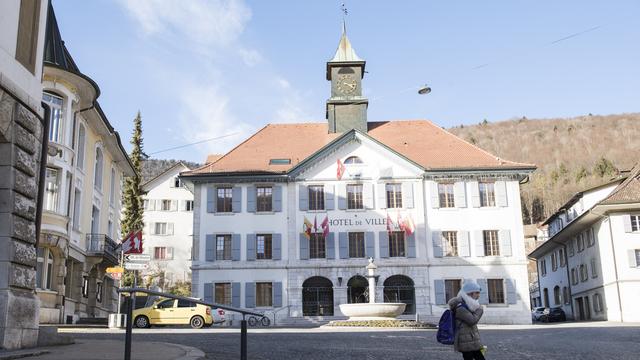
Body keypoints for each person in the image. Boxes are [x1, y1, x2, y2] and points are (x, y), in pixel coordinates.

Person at [448, 281, 485, 360]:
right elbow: (472, 320)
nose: (479, 295)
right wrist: (480, 310)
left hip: (471, 338)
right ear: (469, 293)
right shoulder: (460, 307)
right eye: (477, 293)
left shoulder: (469, 304)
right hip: (465, 340)